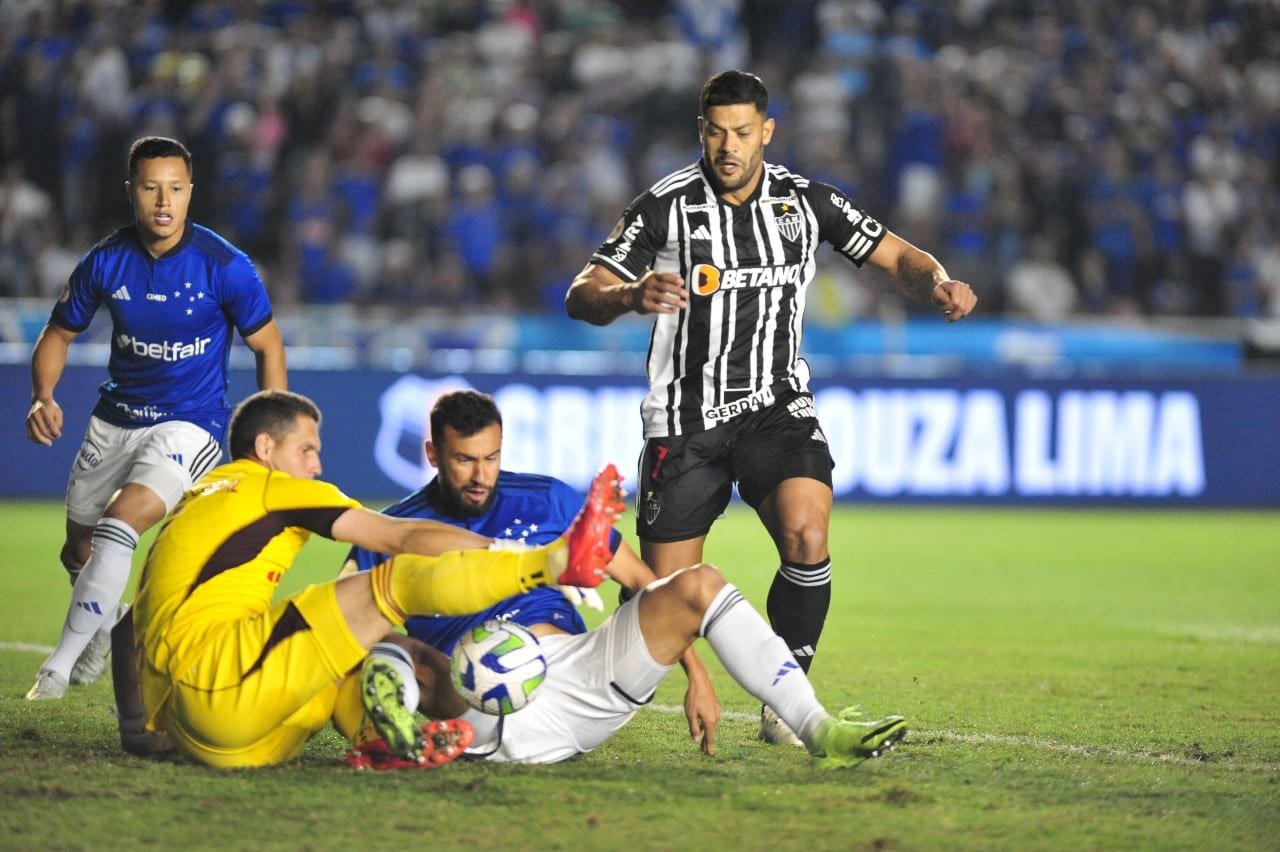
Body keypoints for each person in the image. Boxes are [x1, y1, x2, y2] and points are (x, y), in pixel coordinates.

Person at [565, 70, 978, 745]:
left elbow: (897, 254)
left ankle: (787, 699)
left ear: (767, 131)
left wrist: (937, 282)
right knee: (664, 596)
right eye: (716, 131)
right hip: (686, 422)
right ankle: (579, 695)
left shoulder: (803, 203)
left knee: (808, 532)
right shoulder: (665, 207)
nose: (729, 145)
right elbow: (584, 291)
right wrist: (628, 296)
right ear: (702, 131)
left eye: (742, 132)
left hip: (773, 405)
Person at [345, 390, 907, 768]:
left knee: (698, 583)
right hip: (471, 701)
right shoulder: (395, 529)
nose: (480, 475)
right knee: (393, 645)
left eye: (490, 458)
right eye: (464, 460)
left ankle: (818, 730)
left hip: (583, 679)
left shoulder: (544, 497)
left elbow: (643, 580)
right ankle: (409, 739)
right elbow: (338, 628)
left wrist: (695, 672)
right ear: (431, 454)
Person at [113, 388, 621, 769]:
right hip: (226, 695)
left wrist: (140, 731)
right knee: (394, 583)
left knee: (351, 648)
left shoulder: (198, 497)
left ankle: (374, 743)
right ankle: (555, 564)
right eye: (306, 450)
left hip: (216, 734)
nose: (317, 464)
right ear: (265, 448)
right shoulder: (272, 488)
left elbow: (126, 626)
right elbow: (401, 538)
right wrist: (524, 558)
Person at [25, 136, 288, 701]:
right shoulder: (105, 260)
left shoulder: (226, 267)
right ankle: (105, 625)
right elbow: (58, 333)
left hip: (190, 425)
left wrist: (274, 430)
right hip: (115, 419)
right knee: (78, 550)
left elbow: (268, 346)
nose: (163, 202)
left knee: (123, 523)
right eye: (150, 188)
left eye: (174, 189)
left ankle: (56, 671)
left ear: (190, 193)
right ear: (131, 193)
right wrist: (42, 395)